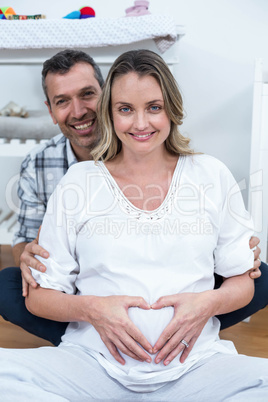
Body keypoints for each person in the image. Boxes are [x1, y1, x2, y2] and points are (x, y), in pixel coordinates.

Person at [0, 49, 267, 401]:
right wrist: (91, 309)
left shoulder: (211, 174)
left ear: (172, 108)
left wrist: (208, 304)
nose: (141, 124)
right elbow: (37, 296)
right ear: (111, 114)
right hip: (92, 363)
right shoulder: (78, 181)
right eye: (126, 109)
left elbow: (243, 283)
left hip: (195, 365)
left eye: (154, 107)